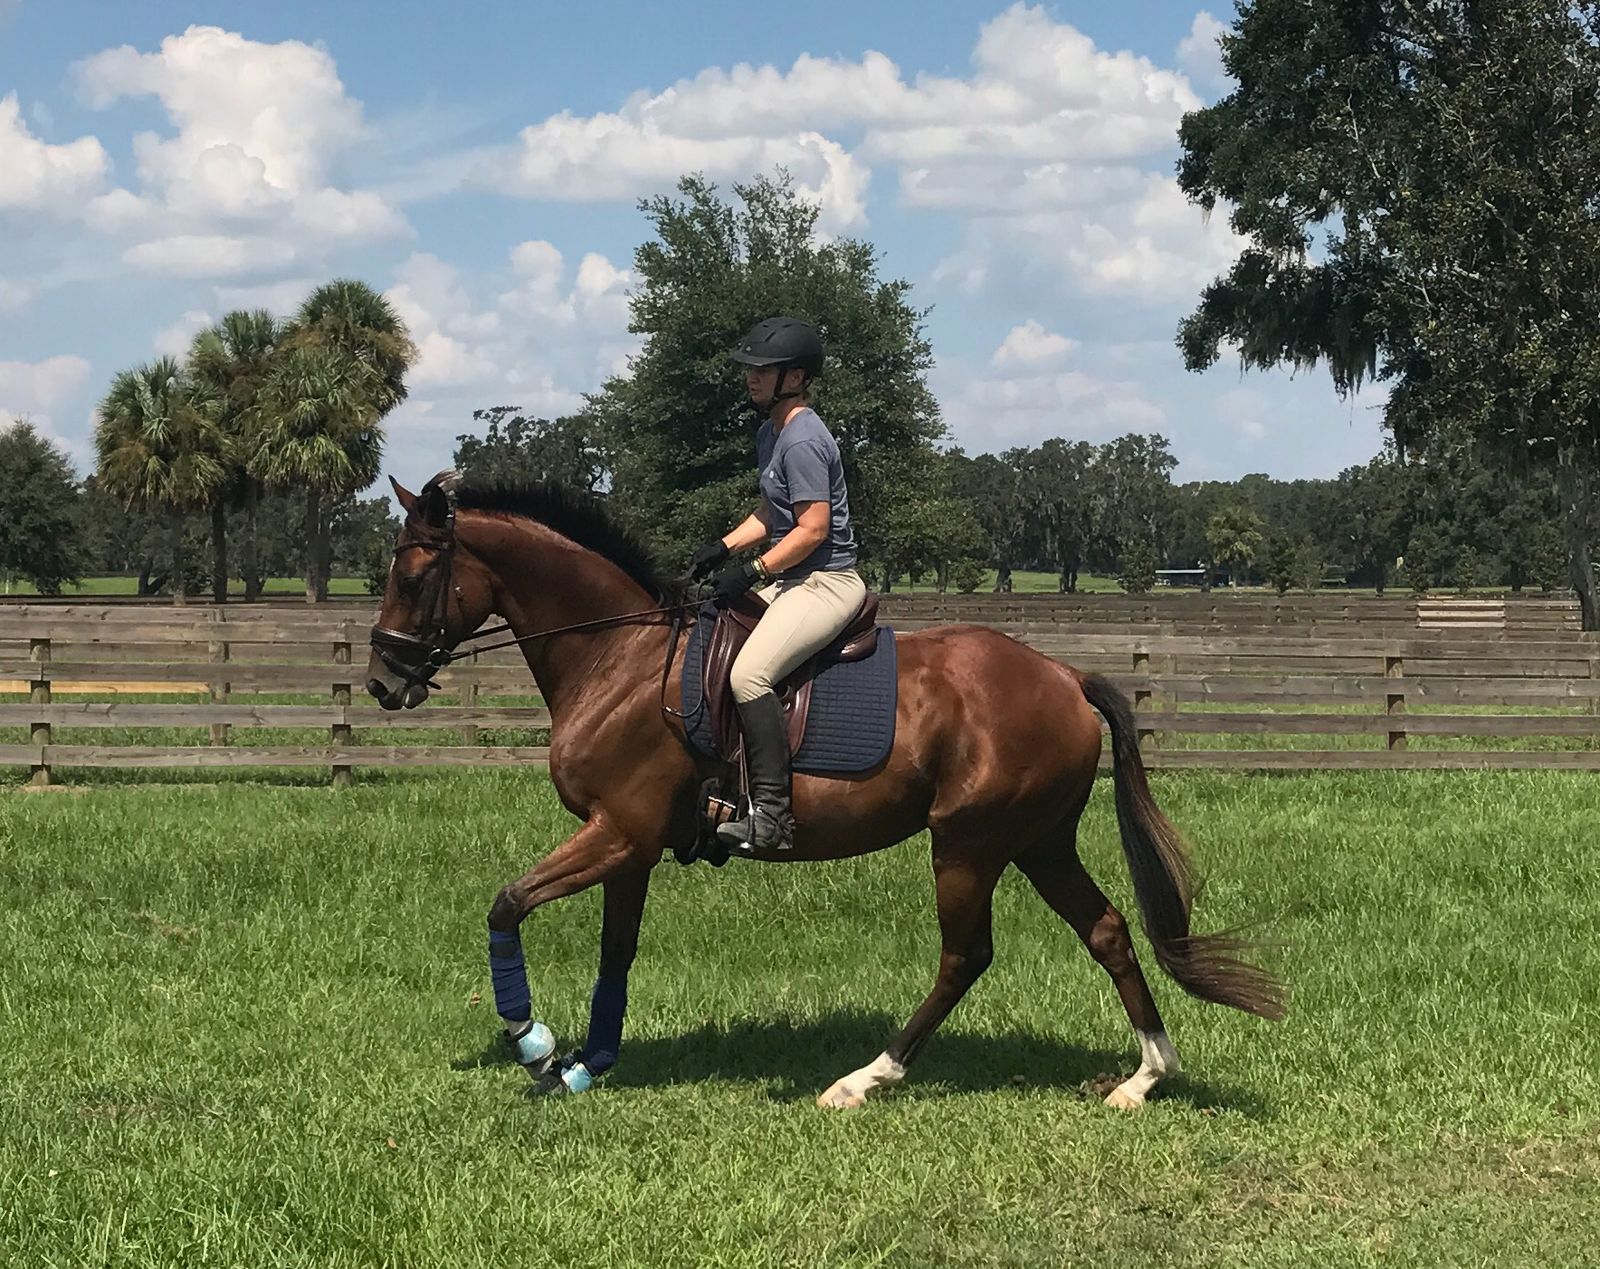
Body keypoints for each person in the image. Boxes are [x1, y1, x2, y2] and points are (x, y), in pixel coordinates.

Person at [688, 316, 867, 853]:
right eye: (751, 369)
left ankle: (772, 817)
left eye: (763, 370)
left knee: (749, 676)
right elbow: (774, 511)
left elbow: (812, 529)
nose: (751, 378)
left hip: (825, 582)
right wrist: (723, 547)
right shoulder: (772, 432)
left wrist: (754, 570)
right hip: (791, 579)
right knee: (707, 632)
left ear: (795, 377)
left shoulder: (804, 439)